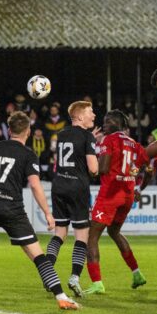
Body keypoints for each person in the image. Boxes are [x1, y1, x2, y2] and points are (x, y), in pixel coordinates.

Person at [0, 111, 80, 310]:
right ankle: (61, 297)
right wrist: (48, 213)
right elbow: (35, 185)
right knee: (37, 254)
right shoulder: (28, 154)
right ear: (28, 131)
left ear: (9, 130)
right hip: (12, 209)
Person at [85, 110, 152, 294]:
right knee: (114, 232)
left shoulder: (109, 140)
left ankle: (97, 283)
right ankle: (137, 273)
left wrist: (90, 164)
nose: (105, 123)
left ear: (121, 124)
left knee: (92, 236)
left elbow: (104, 168)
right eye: (104, 120)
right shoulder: (135, 145)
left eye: (109, 120)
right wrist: (139, 188)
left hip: (110, 194)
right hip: (128, 195)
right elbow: (150, 169)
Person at [47, 101, 99, 297]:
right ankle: (74, 277)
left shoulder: (61, 134)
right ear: (79, 116)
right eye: (90, 112)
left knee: (60, 232)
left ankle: (48, 272)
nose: (93, 115)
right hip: (77, 187)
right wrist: (93, 148)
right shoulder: (87, 136)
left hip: (59, 184)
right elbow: (93, 169)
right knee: (81, 235)